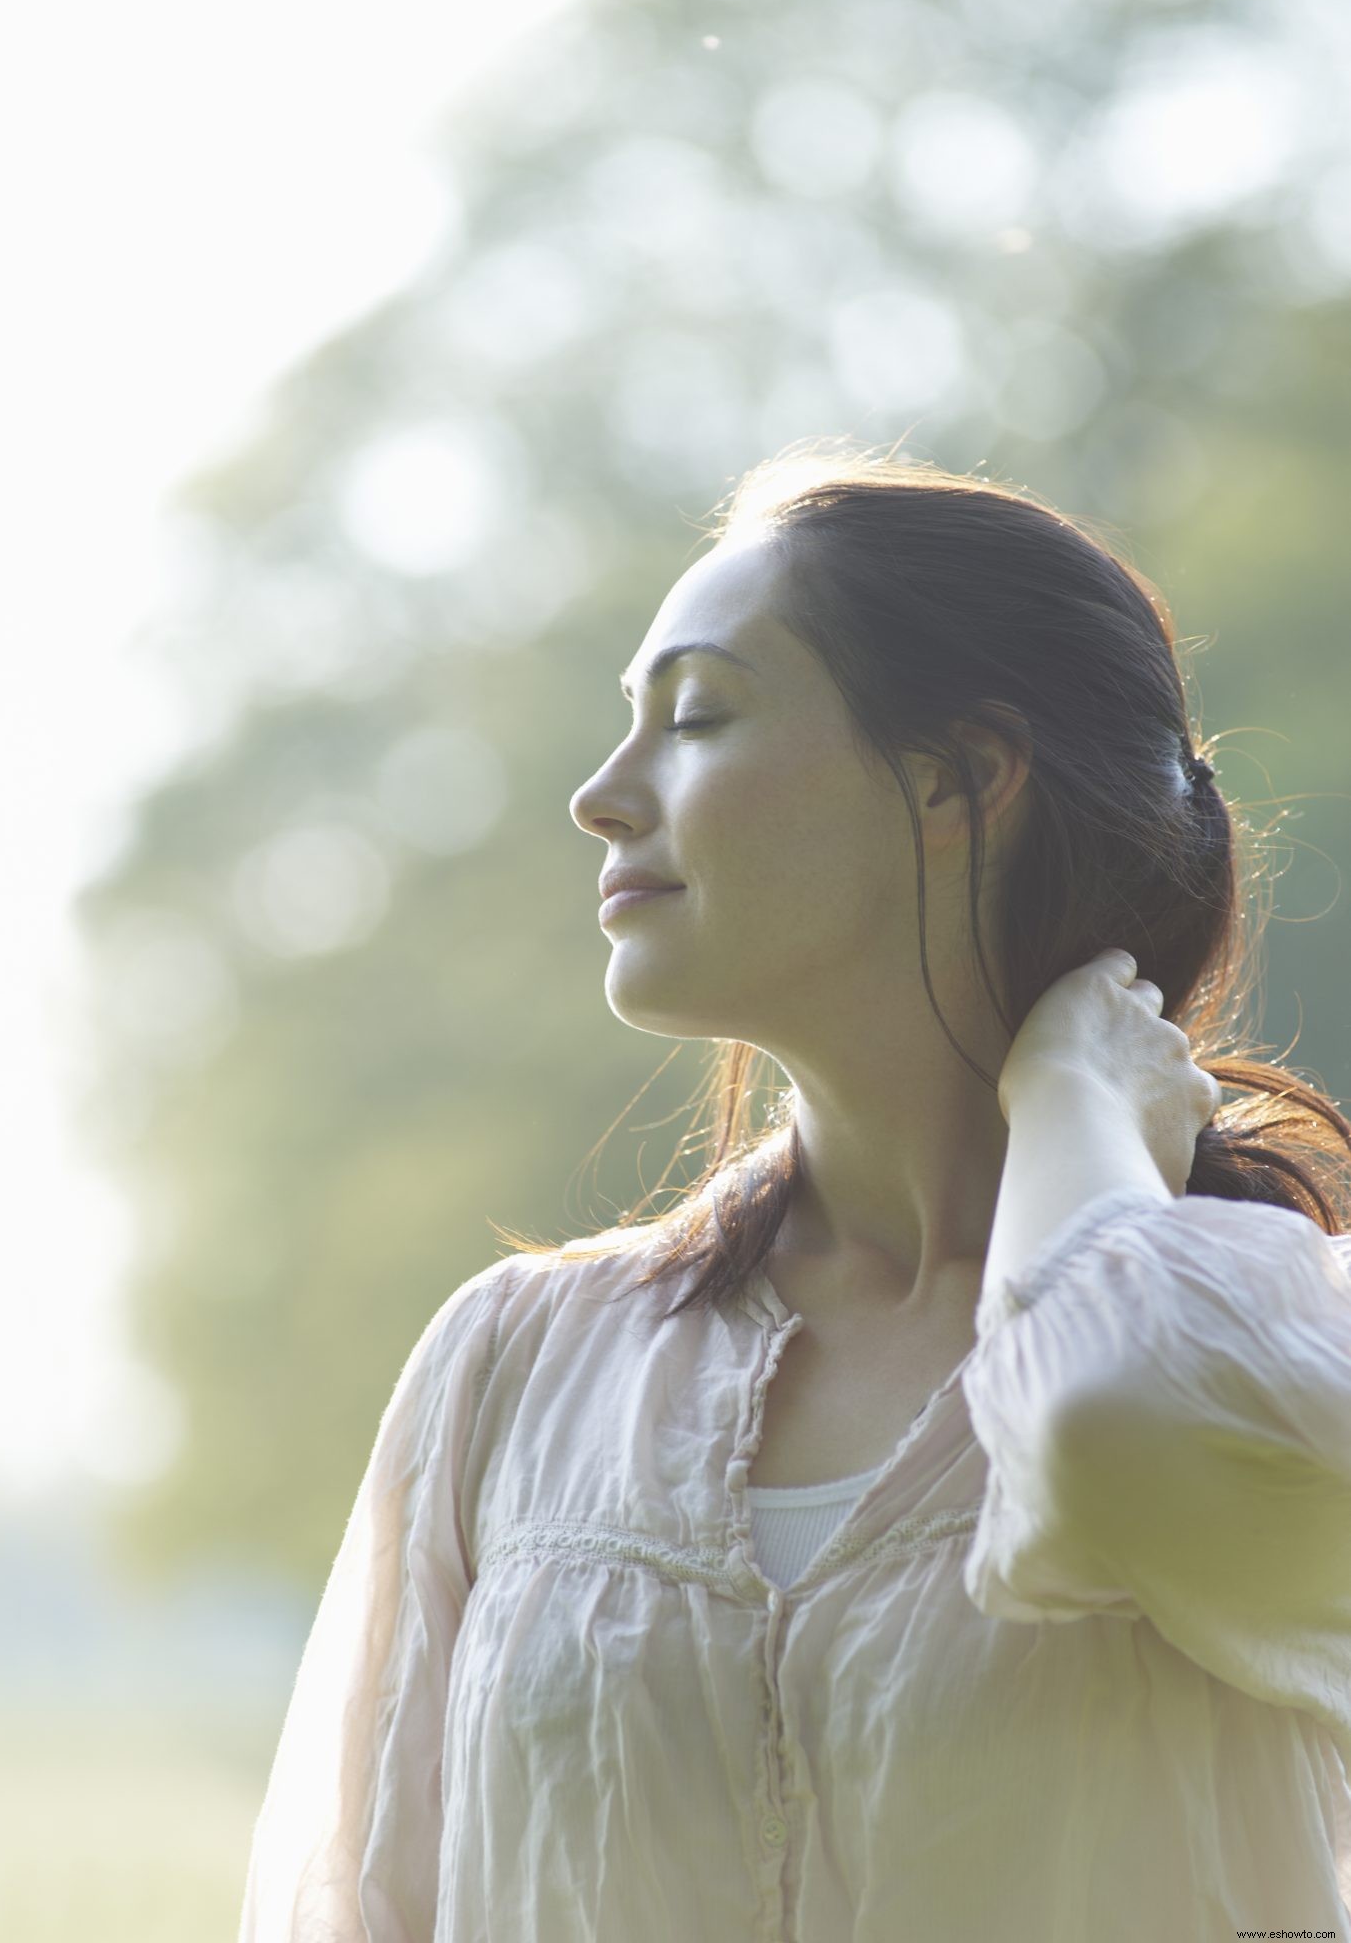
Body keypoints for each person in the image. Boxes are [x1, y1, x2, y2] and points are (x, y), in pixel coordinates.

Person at [236, 450, 1351, 1941]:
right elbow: (369, 1905)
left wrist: (1075, 1103)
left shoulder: (1289, 1337)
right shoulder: (516, 1365)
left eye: (695, 717)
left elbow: (1108, 1426)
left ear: (960, 776)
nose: (598, 796)